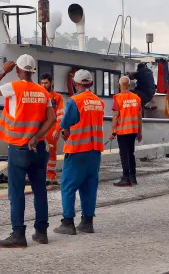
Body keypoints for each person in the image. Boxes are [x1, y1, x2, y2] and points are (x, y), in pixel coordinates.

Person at [0, 54, 55, 248]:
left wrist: (2, 71)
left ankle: (18, 234)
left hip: (18, 148)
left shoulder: (14, 87)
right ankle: (41, 233)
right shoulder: (43, 92)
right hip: (38, 148)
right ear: (33, 71)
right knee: (40, 191)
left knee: (16, 193)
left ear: (17, 70)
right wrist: (36, 136)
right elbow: (51, 119)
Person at [54, 69, 105, 236]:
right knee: (89, 187)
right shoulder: (99, 102)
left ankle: (68, 222)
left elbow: (66, 123)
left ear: (75, 84)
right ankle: (87, 222)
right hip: (95, 151)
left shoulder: (74, 101)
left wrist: (62, 131)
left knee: (68, 186)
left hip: (77, 150)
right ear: (91, 84)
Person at [110, 76, 142, 187]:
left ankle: (125, 178)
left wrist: (112, 131)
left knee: (124, 154)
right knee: (131, 153)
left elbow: (116, 116)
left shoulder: (118, 98)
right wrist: (139, 132)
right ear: (128, 85)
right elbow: (139, 117)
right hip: (133, 130)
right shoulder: (136, 98)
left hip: (123, 131)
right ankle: (133, 177)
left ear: (119, 85)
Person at [40, 73, 65, 185]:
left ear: (51, 83)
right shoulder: (39, 96)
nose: (44, 85)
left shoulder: (57, 97)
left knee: (51, 152)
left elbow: (60, 114)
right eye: (42, 83)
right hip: (40, 127)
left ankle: (51, 175)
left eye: (46, 83)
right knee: (38, 151)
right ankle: (40, 175)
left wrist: (58, 129)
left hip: (52, 128)